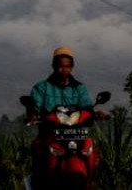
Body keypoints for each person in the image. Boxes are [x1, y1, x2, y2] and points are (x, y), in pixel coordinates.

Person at [27, 46, 92, 187]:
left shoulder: (80, 88)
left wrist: (94, 113)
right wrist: (32, 114)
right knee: (38, 148)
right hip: (50, 134)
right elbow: (34, 105)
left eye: (68, 66)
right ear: (53, 66)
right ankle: (36, 184)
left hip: (76, 134)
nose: (64, 70)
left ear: (72, 67)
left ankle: (89, 180)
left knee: (91, 150)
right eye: (60, 66)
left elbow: (87, 106)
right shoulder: (42, 87)